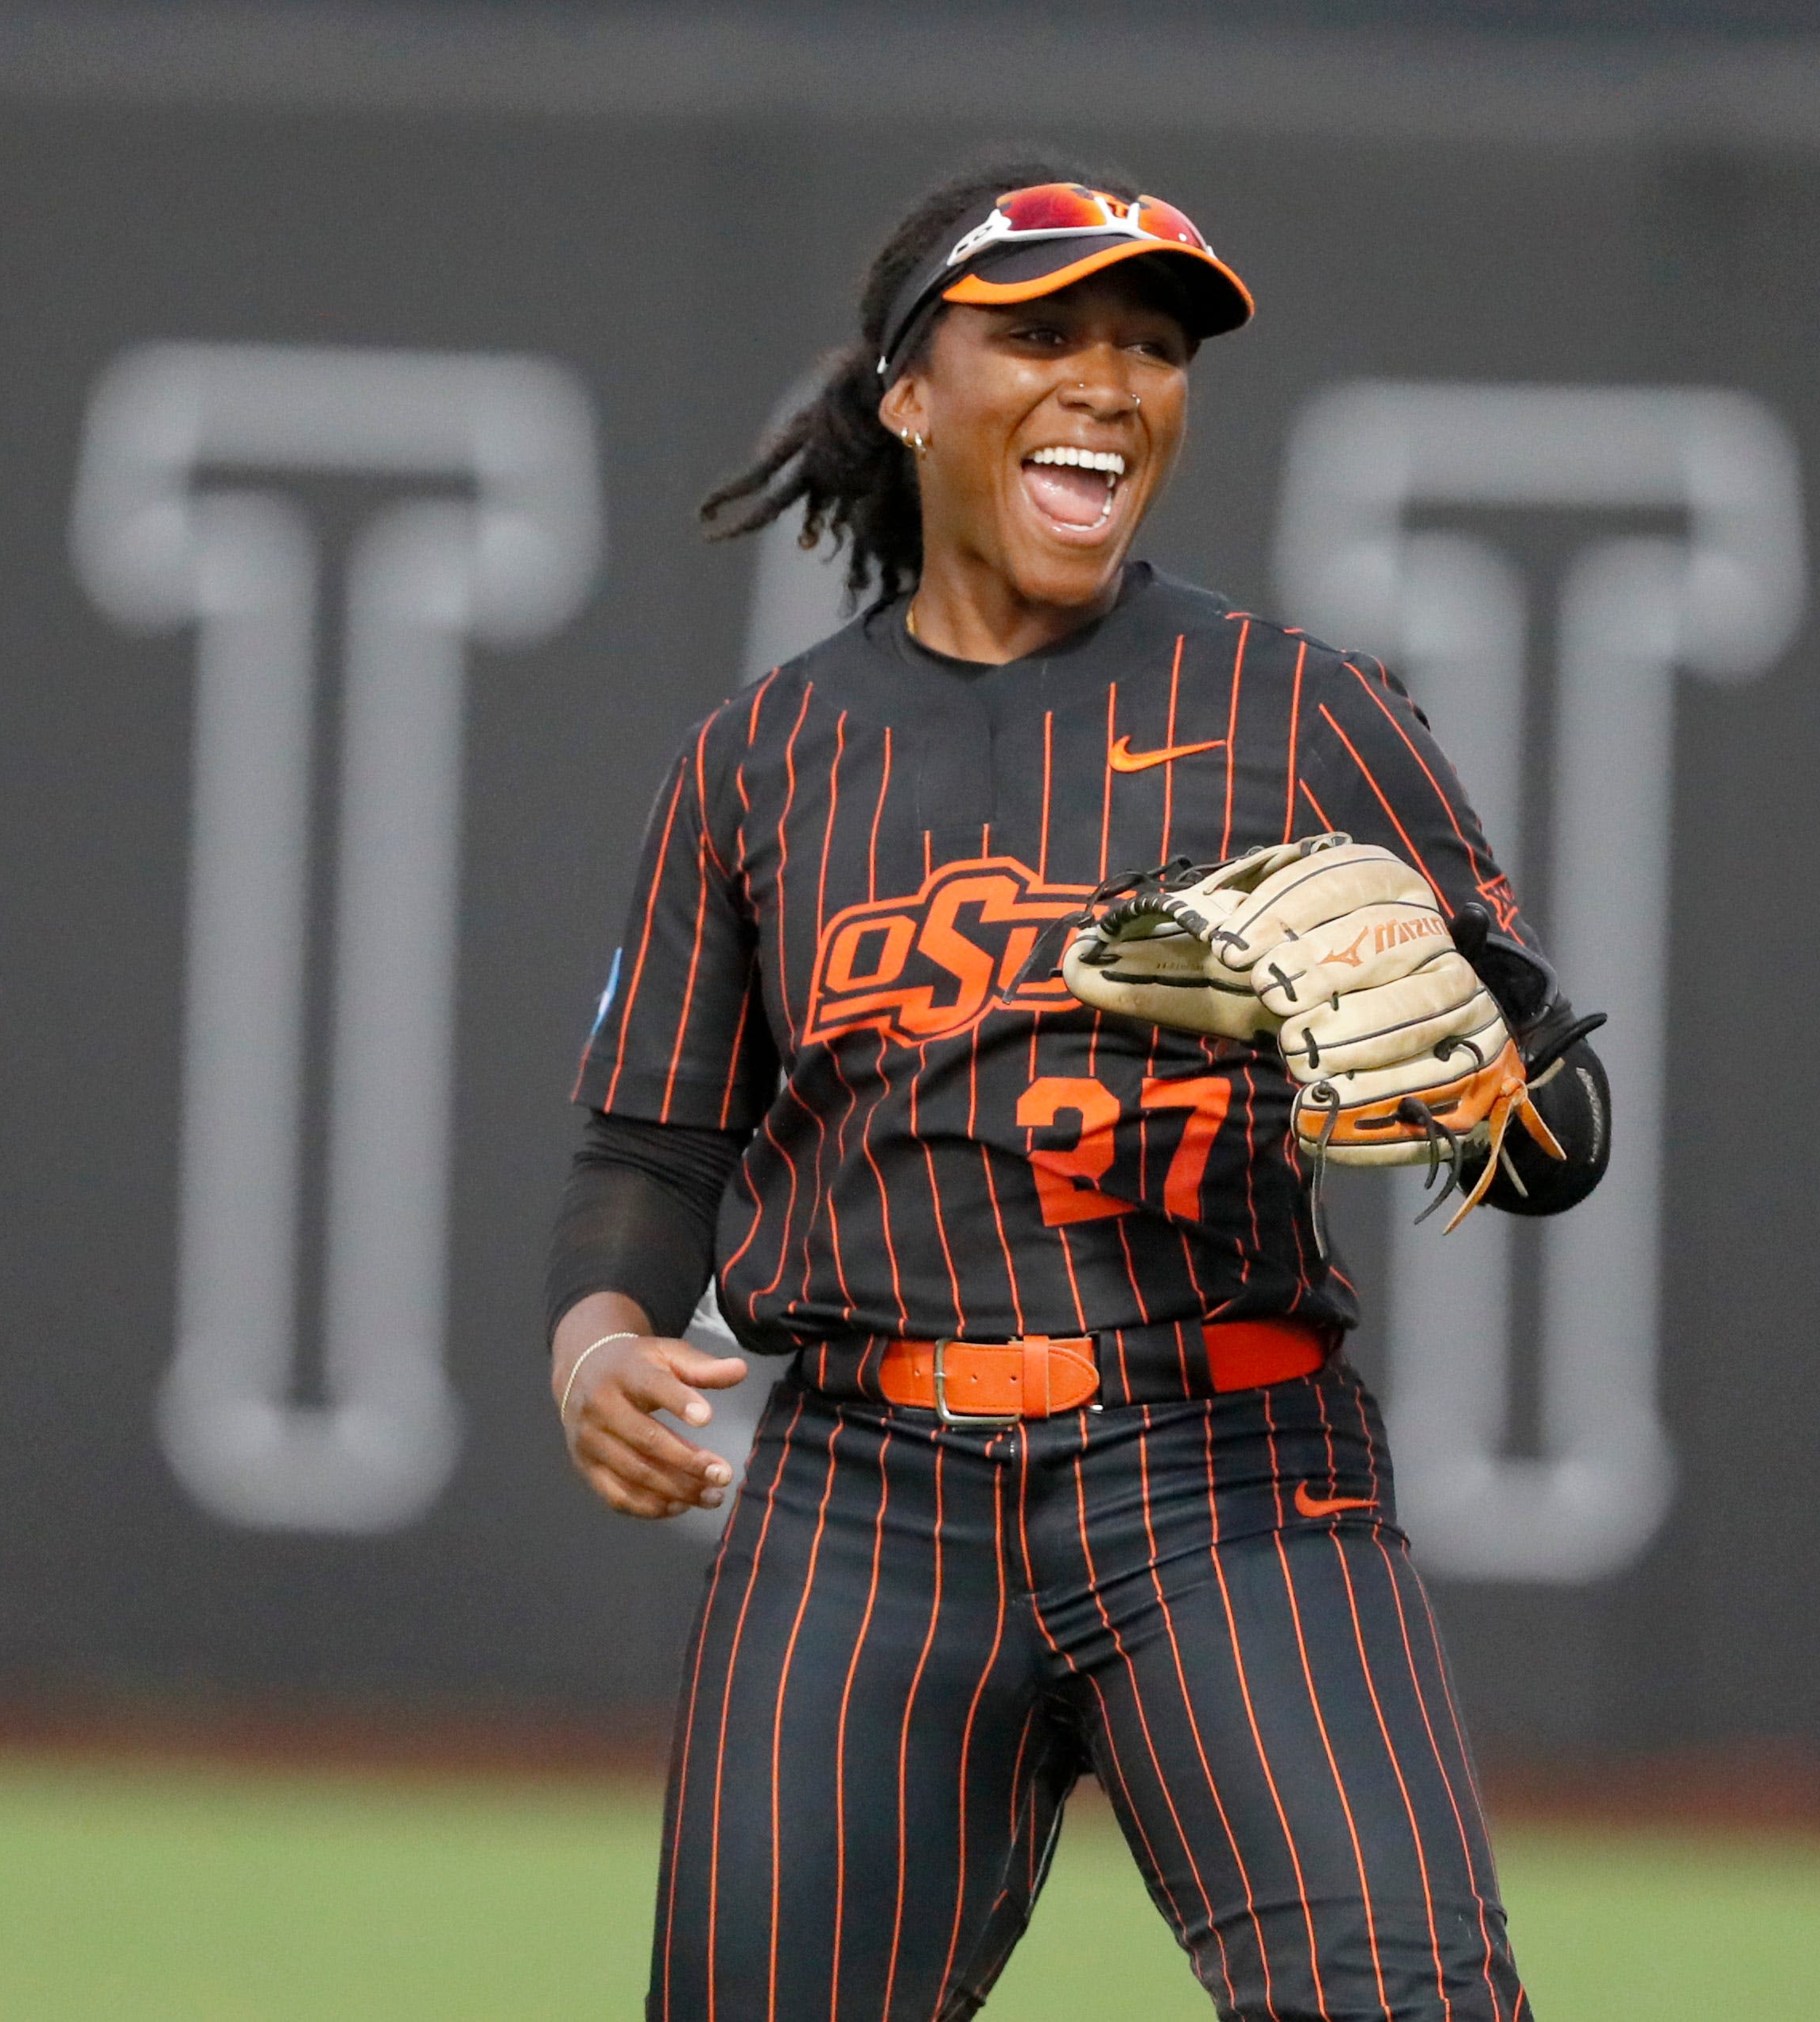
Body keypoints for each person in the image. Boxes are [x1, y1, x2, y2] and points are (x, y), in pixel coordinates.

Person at [548, 157, 1609, 2022]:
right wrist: (594, 1343)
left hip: (1227, 1476)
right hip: (862, 1505)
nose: (1108, 381)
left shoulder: (1304, 713)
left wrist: (1470, 1034)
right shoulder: (763, 760)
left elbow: (1554, 1149)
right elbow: (648, 1141)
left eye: (1149, 346)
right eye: (1038, 334)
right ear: (906, 391)